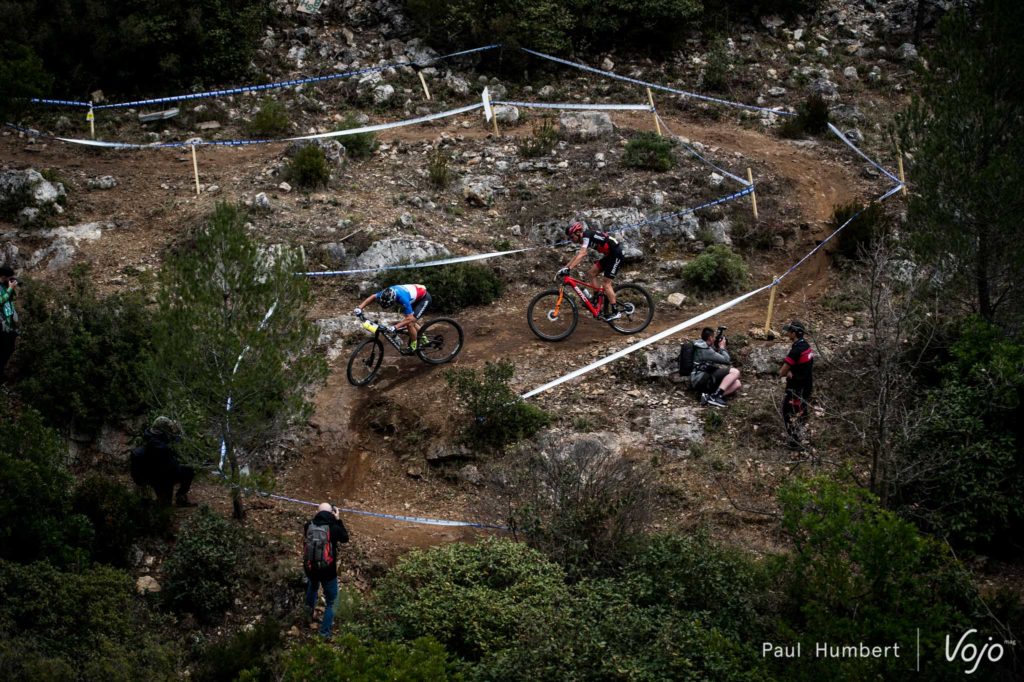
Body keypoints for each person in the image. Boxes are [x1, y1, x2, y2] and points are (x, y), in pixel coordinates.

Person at [561, 221, 625, 321]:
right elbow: (578, 255)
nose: (572, 240)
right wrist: (565, 267)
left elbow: (582, 254)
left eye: (572, 237)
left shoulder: (586, 235)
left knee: (606, 283)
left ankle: (616, 312)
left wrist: (569, 268)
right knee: (591, 273)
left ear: (578, 232)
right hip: (610, 255)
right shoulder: (584, 238)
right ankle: (596, 299)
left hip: (616, 254)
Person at [303, 502, 349, 639]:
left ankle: (306, 616)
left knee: (312, 588)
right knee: (332, 601)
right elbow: (345, 538)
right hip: (328, 572)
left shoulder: (308, 525)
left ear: (317, 512)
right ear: (331, 513)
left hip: (311, 569)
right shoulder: (333, 527)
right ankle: (324, 633)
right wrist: (338, 519)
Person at [133, 417, 197, 507]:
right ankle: (153, 502)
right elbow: (171, 466)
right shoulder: (157, 445)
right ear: (163, 429)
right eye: (168, 428)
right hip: (159, 476)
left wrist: (175, 434)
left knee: (186, 470)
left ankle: (174, 498)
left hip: (157, 473)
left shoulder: (151, 435)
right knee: (188, 471)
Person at [354, 284, 431, 351]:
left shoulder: (403, 299)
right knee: (409, 320)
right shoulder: (386, 293)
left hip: (423, 298)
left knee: (410, 322)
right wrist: (360, 307)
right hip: (413, 295)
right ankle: (422, 337)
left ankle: (415, 346)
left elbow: (410, 318)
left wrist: (395, 327)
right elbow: (373, 296)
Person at [779, 320, 814, 450]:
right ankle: (801, 437)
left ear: (794, 333)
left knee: (788, 412)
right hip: (806, 385)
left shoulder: (796, 350)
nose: (787, 333)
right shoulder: (806, 345)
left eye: (789, 331)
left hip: (796, 388)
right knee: (801, 411)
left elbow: (782, 372)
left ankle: (795, 443)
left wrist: (787, 372)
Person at [691, 327, 741, 408]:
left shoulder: (700, 345)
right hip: (701, 379)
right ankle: (715, 397)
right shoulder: (705, 350)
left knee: (737, 383)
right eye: (713, 337)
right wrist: (722, 347)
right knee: (735, 372)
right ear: (710, 338)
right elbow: (726, 360)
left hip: (703, 377)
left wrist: (716, 344)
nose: (714, 339)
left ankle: (708, 397)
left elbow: (713, 352)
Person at [0, 266, 19, 383]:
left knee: (10, 348)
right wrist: (10, 289)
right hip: (1, 323)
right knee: (3, 350)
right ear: (3, 276)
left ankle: (2, 372)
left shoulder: (5, 285)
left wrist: (11, 288)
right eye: (8, 278)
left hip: (9, 322)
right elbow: (1, 300)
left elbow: (11, 299)